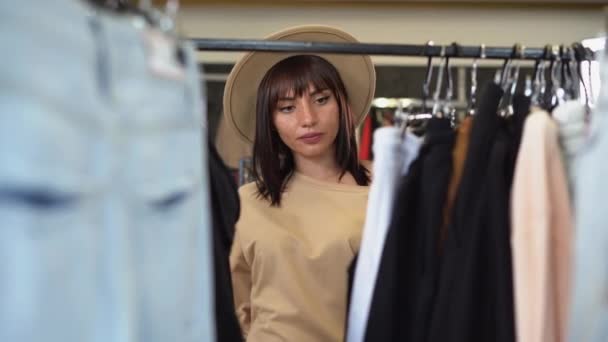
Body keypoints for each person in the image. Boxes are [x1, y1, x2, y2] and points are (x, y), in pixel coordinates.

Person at [224, 25, 376, 341]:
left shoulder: (382, 194)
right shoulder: (247, 202)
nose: (307, 119)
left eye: (321, 99)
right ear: (271, 121)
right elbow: (235, 303)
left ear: (344, 106)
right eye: (287, 107)